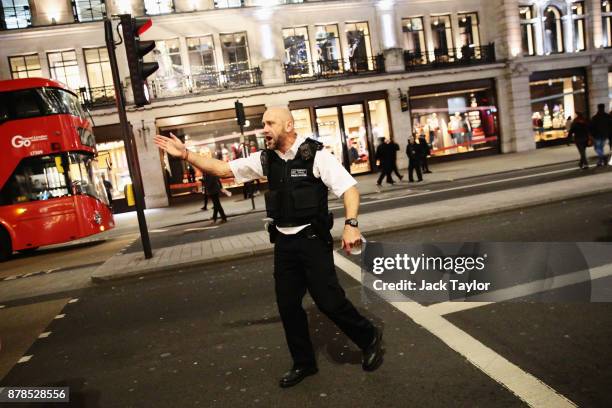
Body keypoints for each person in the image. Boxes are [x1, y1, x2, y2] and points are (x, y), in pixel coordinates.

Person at [154, 107, 383, 388]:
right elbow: (223, 169)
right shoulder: (265, 159)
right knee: (288, 305)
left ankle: (368, 337)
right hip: (284, 243)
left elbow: (349, 189)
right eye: (263, 123)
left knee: (329, 302)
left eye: (269, 123)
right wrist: (187, 155)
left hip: (312, 240)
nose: (264, 129)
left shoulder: (317, 156)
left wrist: (351, 223)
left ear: (288, 125)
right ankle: (304, 362)